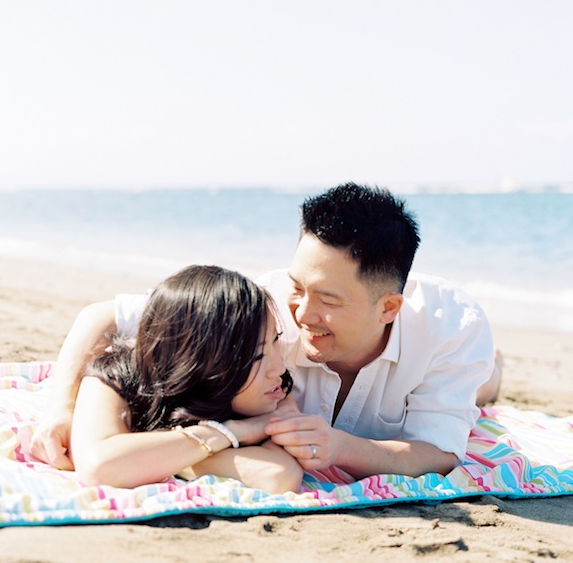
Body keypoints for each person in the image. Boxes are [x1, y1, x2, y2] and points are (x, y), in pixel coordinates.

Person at [32, 183, 498, 481]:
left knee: (480, 391)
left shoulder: (452, 330)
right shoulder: (266, 309)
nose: (303, 313)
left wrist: (339, 447)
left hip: (455, 375)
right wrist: (62, 408)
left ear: (388, 307)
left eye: (329, 301)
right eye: (299, 286)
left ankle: (494, 374)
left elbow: (437, 453)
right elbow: (102, 316)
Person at [66, 264, 303, 494]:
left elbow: (277, 476)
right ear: (203, 363)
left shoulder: (273, 392)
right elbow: (98, 467)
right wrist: (231, 432)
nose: (280, 368)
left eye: (276, 340)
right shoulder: (118, 376)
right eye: (257, 356)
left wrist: (153, 460)